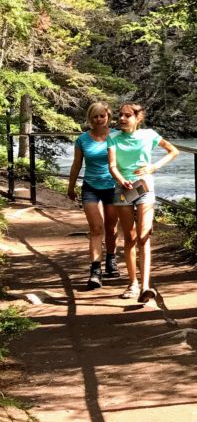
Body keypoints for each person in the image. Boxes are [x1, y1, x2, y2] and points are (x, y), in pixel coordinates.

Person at [107, 103, 179, 302]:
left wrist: (153, 167)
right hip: (123, 189)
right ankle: (133, 283)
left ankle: (146, 286)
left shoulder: (149, 135)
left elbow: (173, 151)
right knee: (129, 238)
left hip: (144, 188)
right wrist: (122, 180)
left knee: (144, 236)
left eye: (127, 115)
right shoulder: (113, 137)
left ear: (138, 118)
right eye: (120, 115)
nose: (121, 119)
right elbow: (112, 165)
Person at [66, 102, 120, 289]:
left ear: (108, 117)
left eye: (102, 116)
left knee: (111, 227)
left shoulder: (116, 137)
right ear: (90, 119)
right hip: (90, 187)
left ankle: (111, 258)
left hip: (113, 187)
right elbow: (76, 164)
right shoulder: (82, 140)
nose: (99, 120)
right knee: (96, 228)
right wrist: (71, 187)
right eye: (95, 116)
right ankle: (95, 271)